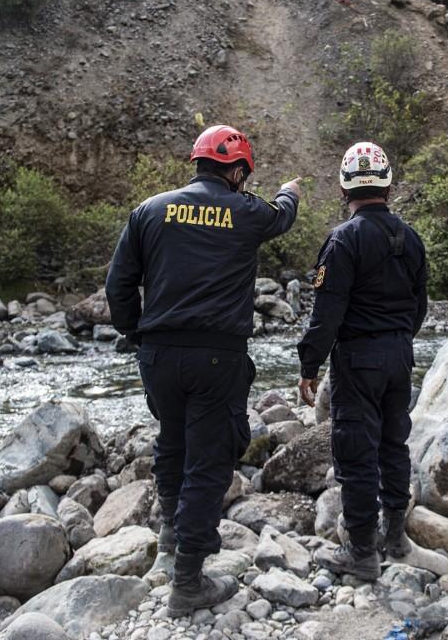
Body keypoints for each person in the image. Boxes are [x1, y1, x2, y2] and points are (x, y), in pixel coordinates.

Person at [105, 124, 301, 617]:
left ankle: (172, 528)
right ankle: (188, 581)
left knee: (172, 437)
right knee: (209, 460)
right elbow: (282, 217)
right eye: (244, 174)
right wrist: (288, 192)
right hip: (217, 355)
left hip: (159, 354)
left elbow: (119, 285)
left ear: (197, 162)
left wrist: (136, 333)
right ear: (235, 170)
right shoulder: (248, 210)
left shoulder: (149, 210)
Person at [296, 141, 428, 581]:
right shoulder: (411, 238)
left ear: (343, 187)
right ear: (388, 186)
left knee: (356, 451)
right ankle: (396, 535)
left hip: (358, 357)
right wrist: (398, 342)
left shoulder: (343, 239)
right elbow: (419, 306)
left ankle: (363, 555)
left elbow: (326, 313)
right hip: (400, 355)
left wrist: (309, 366)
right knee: (394, 443)